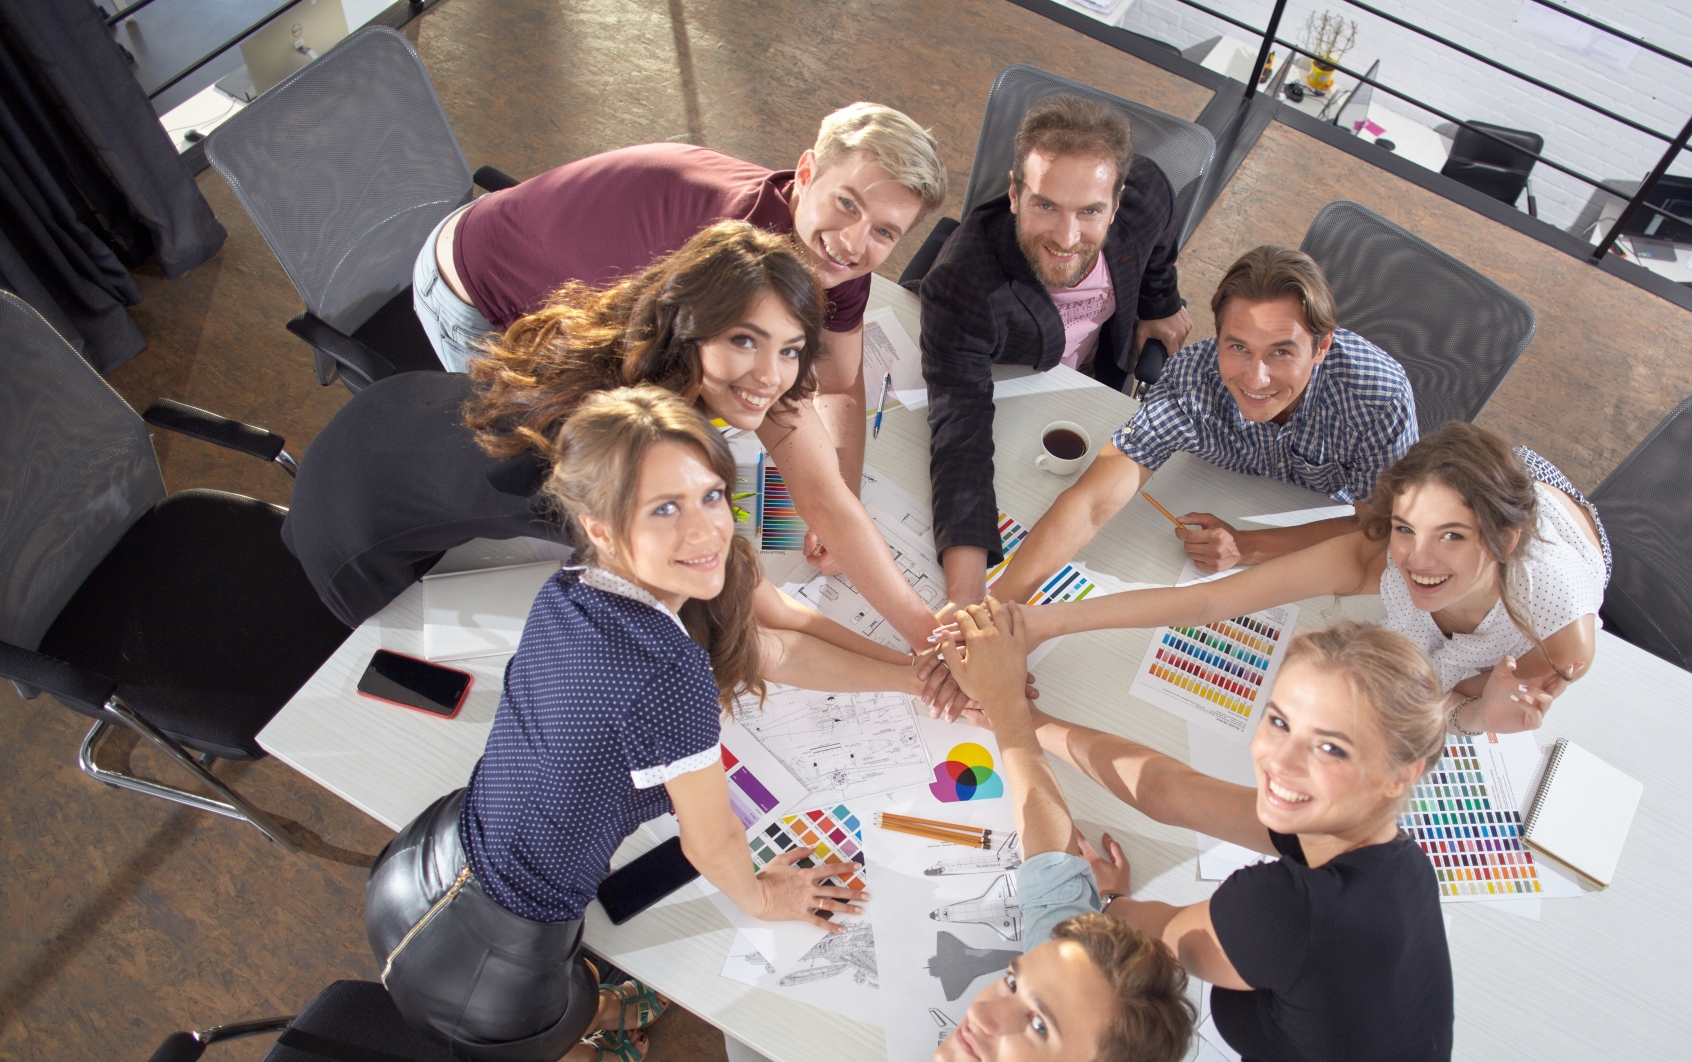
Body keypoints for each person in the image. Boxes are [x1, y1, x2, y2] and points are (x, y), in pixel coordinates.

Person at [366, 386, 932, 1062]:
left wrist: (913, 678)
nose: (705, 532)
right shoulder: (671, 678)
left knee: (570, 988)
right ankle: (575, 1057)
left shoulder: (571, 586)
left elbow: (769, 647)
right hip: (500, 960)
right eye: (664, 508)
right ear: (601, 527)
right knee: (561, 1030)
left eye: (710, 496)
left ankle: (589, 1012)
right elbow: (711, 843)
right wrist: (764, 899)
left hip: (425, 860)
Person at [699, 597, 1194, 1062]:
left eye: (1039, 1025)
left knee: (747, 1005)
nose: (987, 1010)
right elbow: (1053, 877)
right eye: (1015, 981)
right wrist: (1009, 717)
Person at [288, 222, 961, 708]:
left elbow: (824, 503)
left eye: (790, 349)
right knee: (399, 668)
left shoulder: (666, 348)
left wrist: (929, 643)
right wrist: (916, 677)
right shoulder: (627, 461)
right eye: (744, 341)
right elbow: (755, 628)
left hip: (400, 417)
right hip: (353, 522)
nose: (770, 375)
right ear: (691, 326)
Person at [1031, 620, 1462, 1062]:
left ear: (1402, 774)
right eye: (1279, 721)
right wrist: (1027, 717)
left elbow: (1104, 935)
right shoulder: (1396, 859)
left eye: (1331, 748)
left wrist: (1110, 900)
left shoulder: (1287, 912)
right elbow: (1169, 789)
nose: (1281, 763)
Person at [414, 104, 946, 495]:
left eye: (884, 231)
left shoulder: (831, 253)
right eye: (847, 203)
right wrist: (822, 501)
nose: (854, 242)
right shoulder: (730, 253)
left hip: (569, 268)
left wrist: (843, 487)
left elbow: (838, 385)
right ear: (806, 174)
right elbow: (657, 404)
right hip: (477, 292)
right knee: (562, 485)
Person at [1005, 420, 1610, 735]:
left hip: (1564, 520)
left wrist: (1475, 712)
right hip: (1492, 489)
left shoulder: (1560, 633)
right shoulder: (1390, 553)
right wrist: (1040, 621)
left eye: (1451, 535)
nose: (1417, 560)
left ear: (1502, 541)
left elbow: (1451, 711)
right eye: (1406, 528)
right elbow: (1207, 602)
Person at [992, 245, 1418, 602]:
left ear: (1321, 347)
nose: (1256, 379)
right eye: (1238, 347)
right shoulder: (1191, 380)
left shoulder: (1377, 397)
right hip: (1219, 495)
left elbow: (1378, 530)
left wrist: (1248, 545)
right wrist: (995, 612)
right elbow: (1091, 503)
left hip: (1325, 543)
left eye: (1281, 352)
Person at [917, 94, 1192, 607]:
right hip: (1022, 393)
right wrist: (967, 589)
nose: (1067, 238)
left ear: (1116, 204)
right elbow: (960, 429)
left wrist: (1161, 300)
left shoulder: (1149, 193)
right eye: (1046, 205)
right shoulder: (962, 282)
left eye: (1090, 211)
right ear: (1015, 194)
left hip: (1099, 384)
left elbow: (1159, 246)